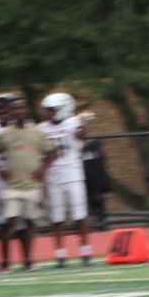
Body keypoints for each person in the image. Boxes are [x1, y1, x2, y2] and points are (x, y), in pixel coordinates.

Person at [0, 97, 48, 270]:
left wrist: (42, 170)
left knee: (30, 223)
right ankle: (5, 262)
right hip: (13, 186)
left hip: (32, 185)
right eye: (15, 109)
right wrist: (0, 170)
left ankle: (28, 260)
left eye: (21, 108)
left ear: (26, 110)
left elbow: (51, 152)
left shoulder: (37, 132)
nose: (18, 112)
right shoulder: (4, 134)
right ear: (10, 112)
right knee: (9, 222)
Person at [38, 91, 93, 265]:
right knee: (57, 218)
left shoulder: (73, 123)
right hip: (53, 176)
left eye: (51, 110)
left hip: (73, 173)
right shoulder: (41, 128)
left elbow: (82, 136)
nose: (47, 113)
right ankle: (60, 254)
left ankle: (85, 252)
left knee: (80, 215)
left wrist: (82, 122)